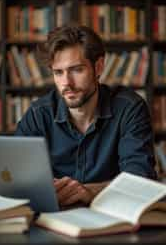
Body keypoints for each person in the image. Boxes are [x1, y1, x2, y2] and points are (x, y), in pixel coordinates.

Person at [15, 25, 157, 207]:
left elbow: (141, 180)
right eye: (58, 72)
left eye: (77, 70)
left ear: (98, 67)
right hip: (53, 220)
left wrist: (90, 191)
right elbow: (17, 178)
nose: (67, 83)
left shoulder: (129, 108)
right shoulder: (38, 114)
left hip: (111, 217)